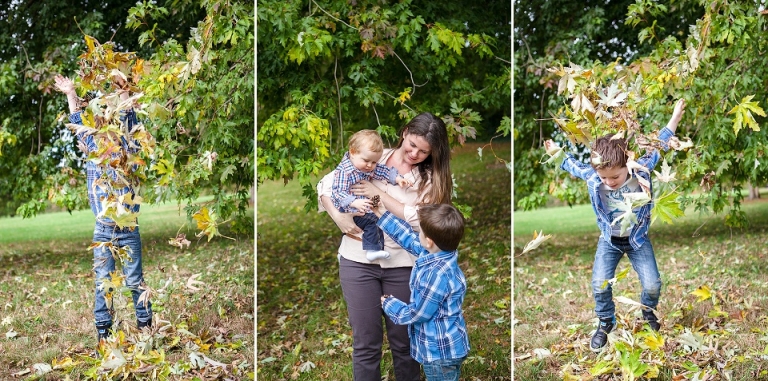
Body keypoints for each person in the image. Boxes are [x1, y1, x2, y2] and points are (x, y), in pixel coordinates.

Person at [318, 112, 452, 381]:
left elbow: (422, 218)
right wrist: (336, 214)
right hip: (357, 260)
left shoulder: (430, 178)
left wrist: (379, 196)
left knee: (404, 343)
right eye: (412, 144)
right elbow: (327, 183)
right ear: (404, 133)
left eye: (423, 152)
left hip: (402, 264)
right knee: (366, 343)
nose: (414, 153)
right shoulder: (374, 154)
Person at [544, 98, 686, 352]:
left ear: (627, 165)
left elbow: (660, 145)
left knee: (652, 284)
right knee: (599, 284)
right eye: (603, 177)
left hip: (637, 241)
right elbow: (573, 166)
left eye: (615, 176)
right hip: (609, 241)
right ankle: (605, 322)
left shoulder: (640, 170)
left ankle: (648, 311)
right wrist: (556, 151)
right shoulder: (594, 176)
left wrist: (675, 117)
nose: (609, 181)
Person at [54, 74, 152, 345]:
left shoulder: (129, 145)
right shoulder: (92, 146)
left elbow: (129, 113)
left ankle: (145, 326)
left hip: (128, 227)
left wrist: (122, 86)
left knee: (135, 280)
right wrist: (70, 91)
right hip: (103, 228)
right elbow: (76, 119)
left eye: (109, 118)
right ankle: (103, 332)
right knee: (102, 282)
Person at [376, 203, 469, 381]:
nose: (417, 234)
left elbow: (419, 313)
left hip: (439, 354)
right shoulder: (439, 254)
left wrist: (390, 304)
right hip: (449, 347)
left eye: (420, 231)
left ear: (429, 241)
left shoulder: (436, 276)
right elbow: (408, 238)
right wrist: (380, 213)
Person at [331, 130, 412, 262]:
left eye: (374, 162)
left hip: (362, 206)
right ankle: (372, 250)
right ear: (352, 152)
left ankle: (345, 252)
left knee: (377, 214)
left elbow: (382, 171)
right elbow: (337, 192)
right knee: (373, 221)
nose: (370, 166)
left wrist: (397, 179)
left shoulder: (365, 166)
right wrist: (354, 202)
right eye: (366, 161)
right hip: (349, 209)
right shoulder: (344, 172)